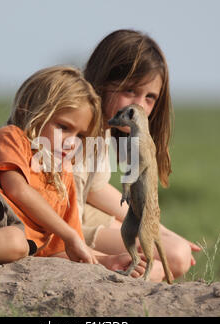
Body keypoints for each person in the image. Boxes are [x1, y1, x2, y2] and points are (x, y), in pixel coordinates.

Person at [0, 65, 143, 276]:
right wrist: (69, 234)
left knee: (15, 244)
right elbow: (17, 189)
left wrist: (105, 260)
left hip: (5, 230)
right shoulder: (14, 137)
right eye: (63, 127)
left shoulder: (64, 181)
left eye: (80, 136)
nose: (71, 142)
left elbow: (62, 248)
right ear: (30, 111)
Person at [73, 29, 201, 282]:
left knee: (175, 249)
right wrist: (96, 255)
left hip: (81, 213)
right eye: (130, 91)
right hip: (69, 222)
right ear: (102, 81)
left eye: (150, 97)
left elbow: (95, 189)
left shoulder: (103, 131)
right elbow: (65, 213)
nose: (139, 106)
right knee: (175, 256)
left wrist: (163, 230)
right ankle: (124, 283)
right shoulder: (72, 132)